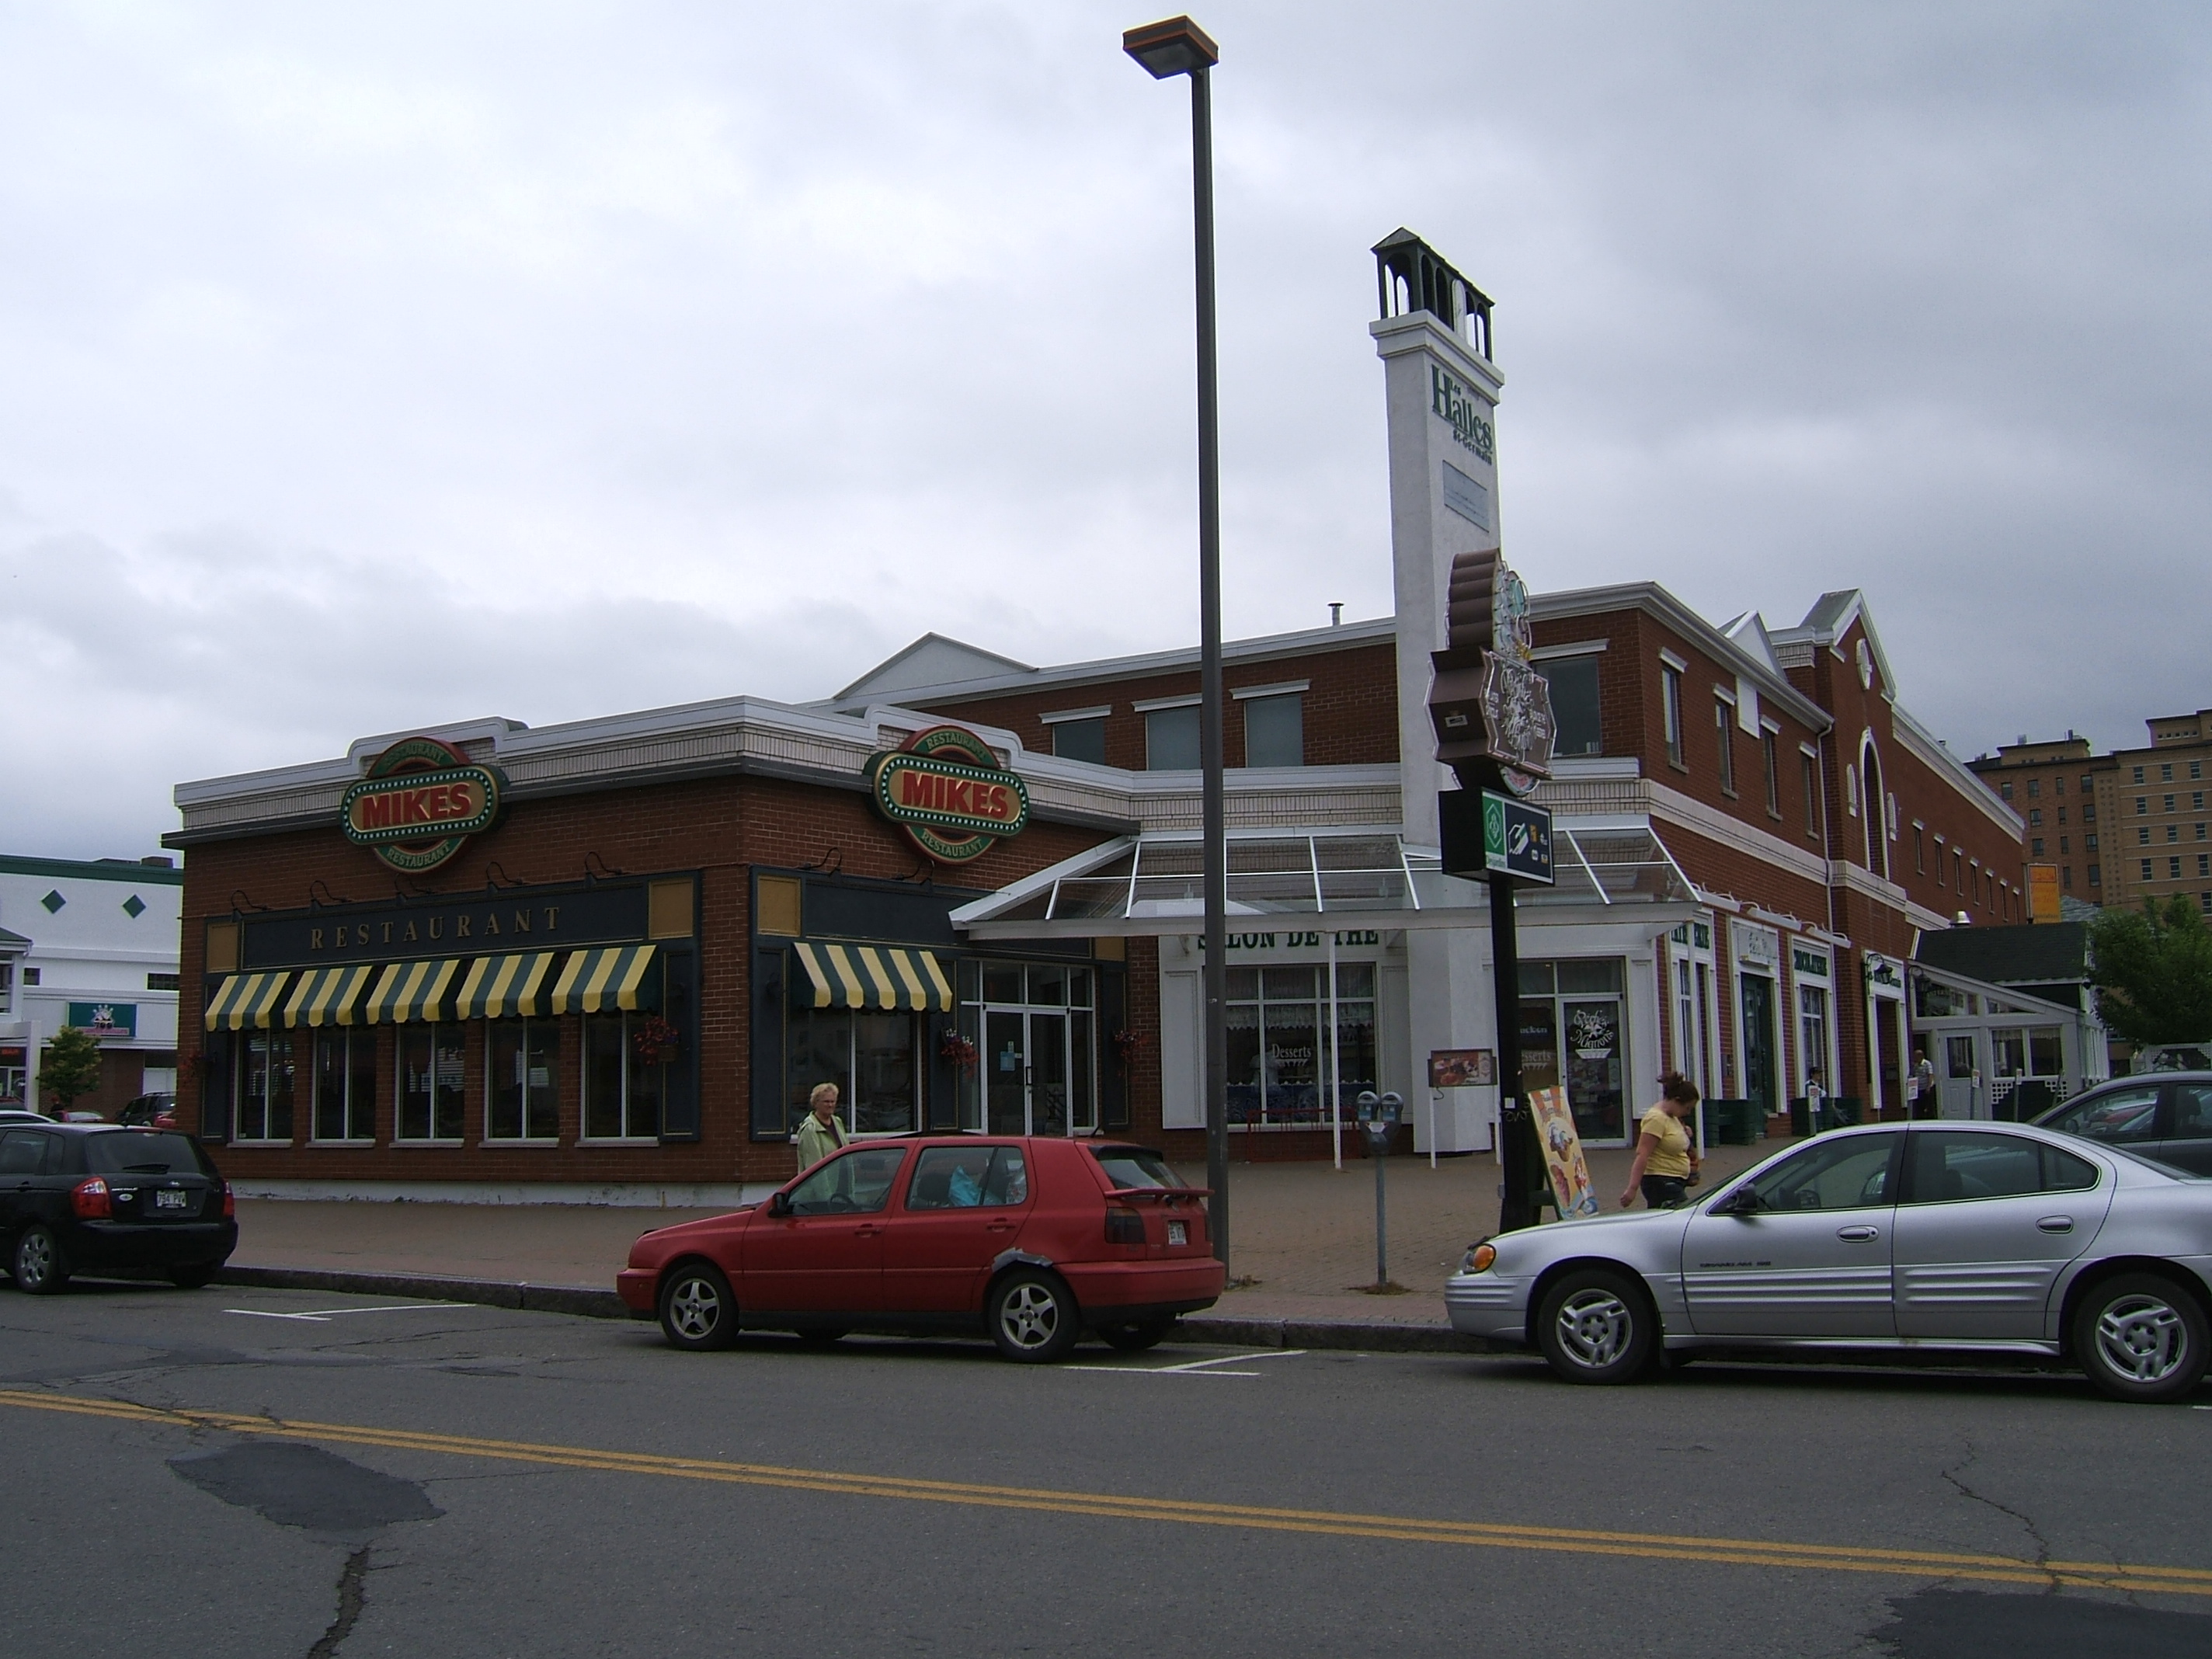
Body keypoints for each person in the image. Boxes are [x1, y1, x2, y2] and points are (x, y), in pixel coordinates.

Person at [1621, 1073, 1702, 1210]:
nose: (1688, 1113)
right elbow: (1642, 1154)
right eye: (1687, 1108)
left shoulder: (1673, 1117)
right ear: (1676, 1100)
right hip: (1660, 1180)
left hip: (1674, 1179)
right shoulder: (1656, 1119)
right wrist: (1632, 1189)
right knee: (1681, 1216)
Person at [793, 1082, 846, 1169]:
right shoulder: (809, 1128)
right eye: (826, 1102)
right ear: (816, 1103)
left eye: (833, 1101)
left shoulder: (838, 1122)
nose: (830, 1105)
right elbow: (813, 1166)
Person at [1805, 1066, 1828, 1132]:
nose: (1819, 1075)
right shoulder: (1808, 1085)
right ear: (1812, 1074)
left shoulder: (1820, 1086)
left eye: (1820, 1073)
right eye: (1817, 1073)